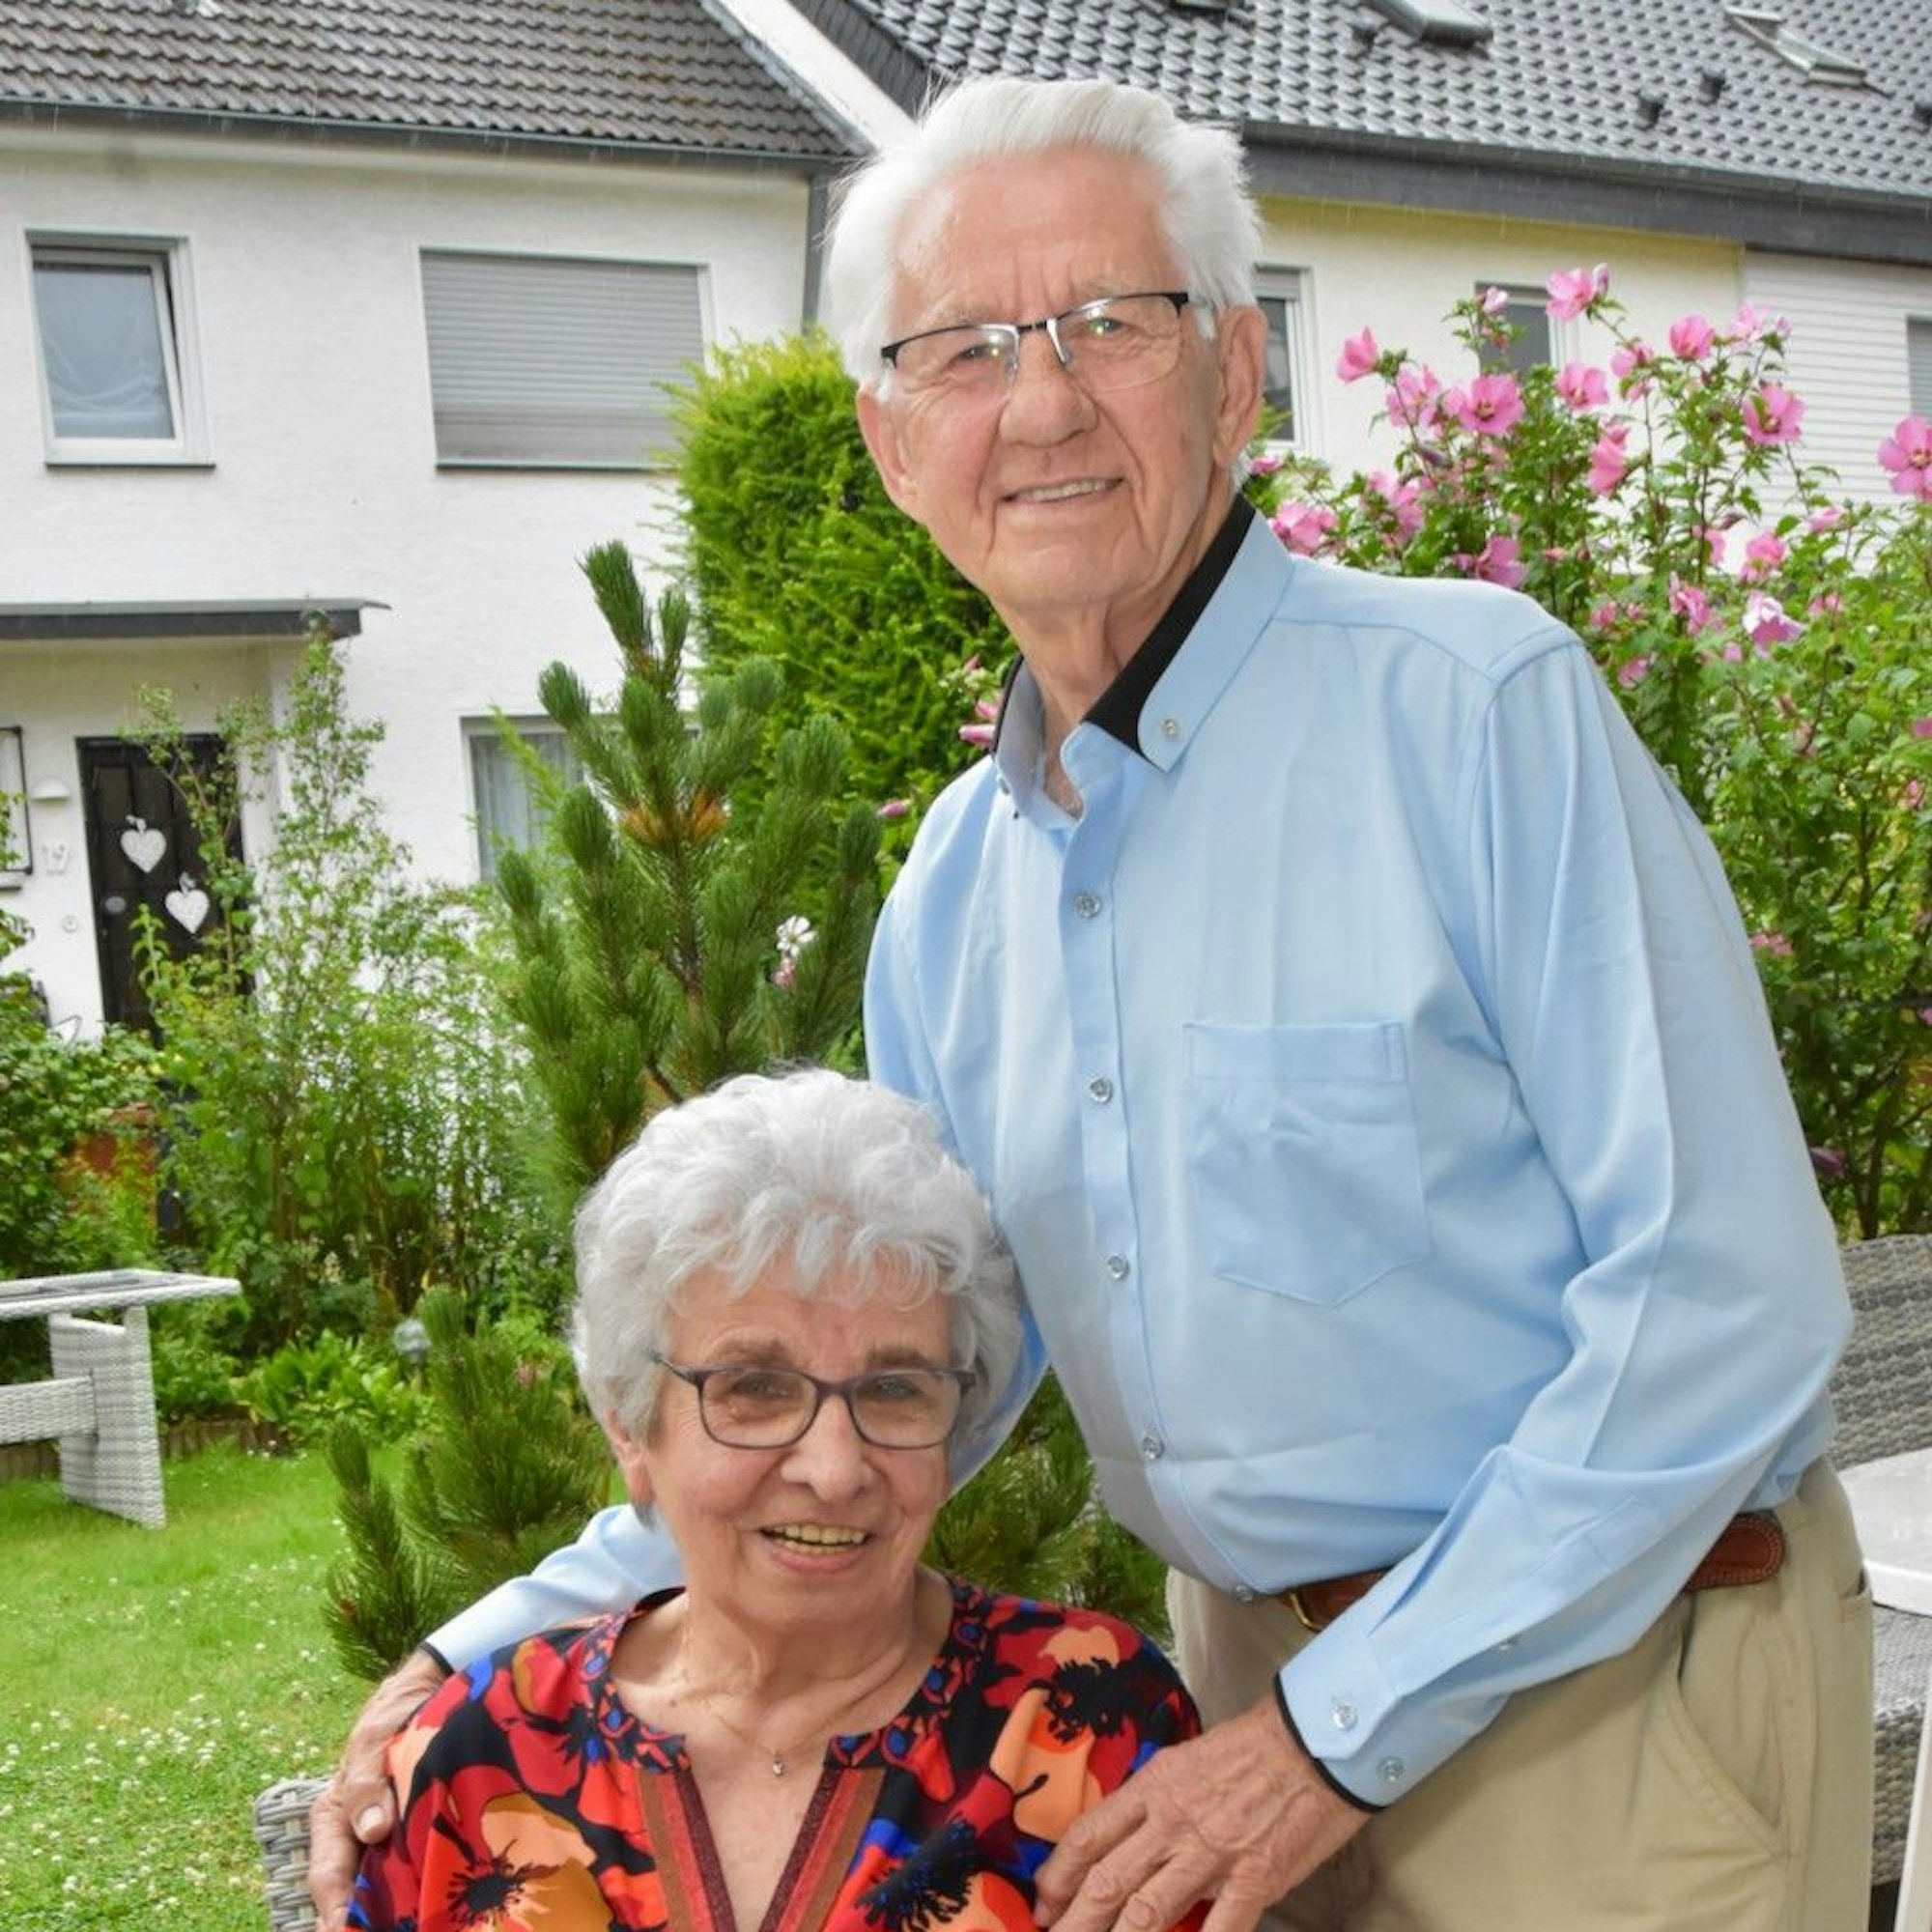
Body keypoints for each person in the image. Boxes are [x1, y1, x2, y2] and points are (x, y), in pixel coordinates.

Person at [315, 75, 1871, 1932]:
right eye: (965, 350)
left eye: (1108, 325)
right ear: (895, 442)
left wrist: (1331, 1741)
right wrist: (492, 1640)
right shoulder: (953, 898)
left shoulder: (1475, 716)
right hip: (1233, 1709)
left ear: (1233, 374)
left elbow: (1730, 1300)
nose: (1042, 404)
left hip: (1609, 1691)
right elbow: (904, 1380)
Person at [344, 1068, 1203, 1931]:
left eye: (896, 1389)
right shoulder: (482, 1753)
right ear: (631, 1431)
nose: (835, 1470)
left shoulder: (1091, 1721)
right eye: (755, 1386)